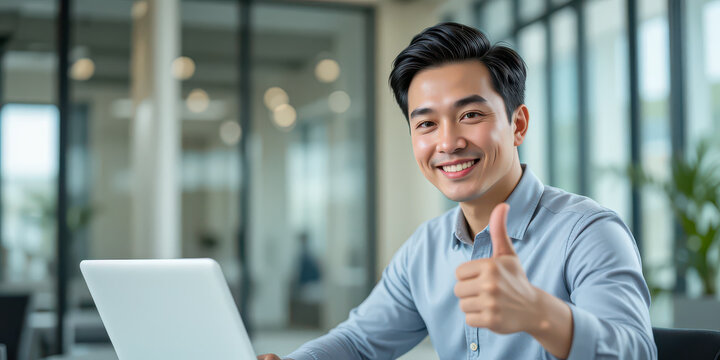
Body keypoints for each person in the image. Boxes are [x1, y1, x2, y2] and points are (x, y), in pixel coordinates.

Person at [258, 22, 656, 360]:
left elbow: (638, 350)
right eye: (427, 124)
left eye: (470, 115)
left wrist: (540, 314)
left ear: (518, 125)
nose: (447, 143)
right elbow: (360, 342)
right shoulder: (425, 248)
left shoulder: (586, 231)